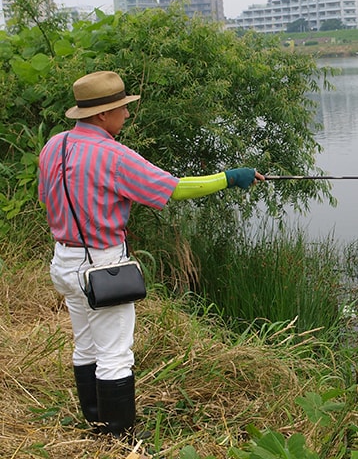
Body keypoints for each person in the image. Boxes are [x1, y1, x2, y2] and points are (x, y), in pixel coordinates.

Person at [37, 70, 265, 435]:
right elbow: (174, 189)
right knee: (115, 354)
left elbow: (45, 198)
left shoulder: (55, 146)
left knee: (86, 344)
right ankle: (117, 436)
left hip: (63, 260)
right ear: (101, 116)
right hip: (101, 264)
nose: (126, 115)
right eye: (120, 109)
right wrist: (230, 177)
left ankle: (96, 421)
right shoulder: (113, 155)